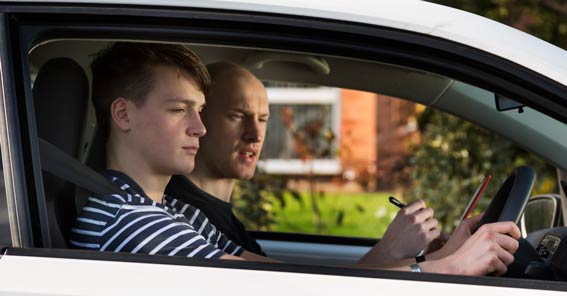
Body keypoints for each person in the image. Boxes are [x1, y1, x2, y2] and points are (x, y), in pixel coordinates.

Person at [67, 42, 440, 269]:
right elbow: (297, 294)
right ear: (123, 114)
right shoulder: (131, 219)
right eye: (179, 110)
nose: (199, 127)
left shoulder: (174, 212)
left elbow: (281, 274)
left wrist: (435, 260)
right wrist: (440, 267)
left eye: (199, 110)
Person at [166, 62, 522, 275]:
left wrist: (442, 256)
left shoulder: (220, 217)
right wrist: (395, 251)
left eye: (263, 119)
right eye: (237, 116)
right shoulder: (183, 217)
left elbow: (291, 286)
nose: (255, 134)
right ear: (199, 120)